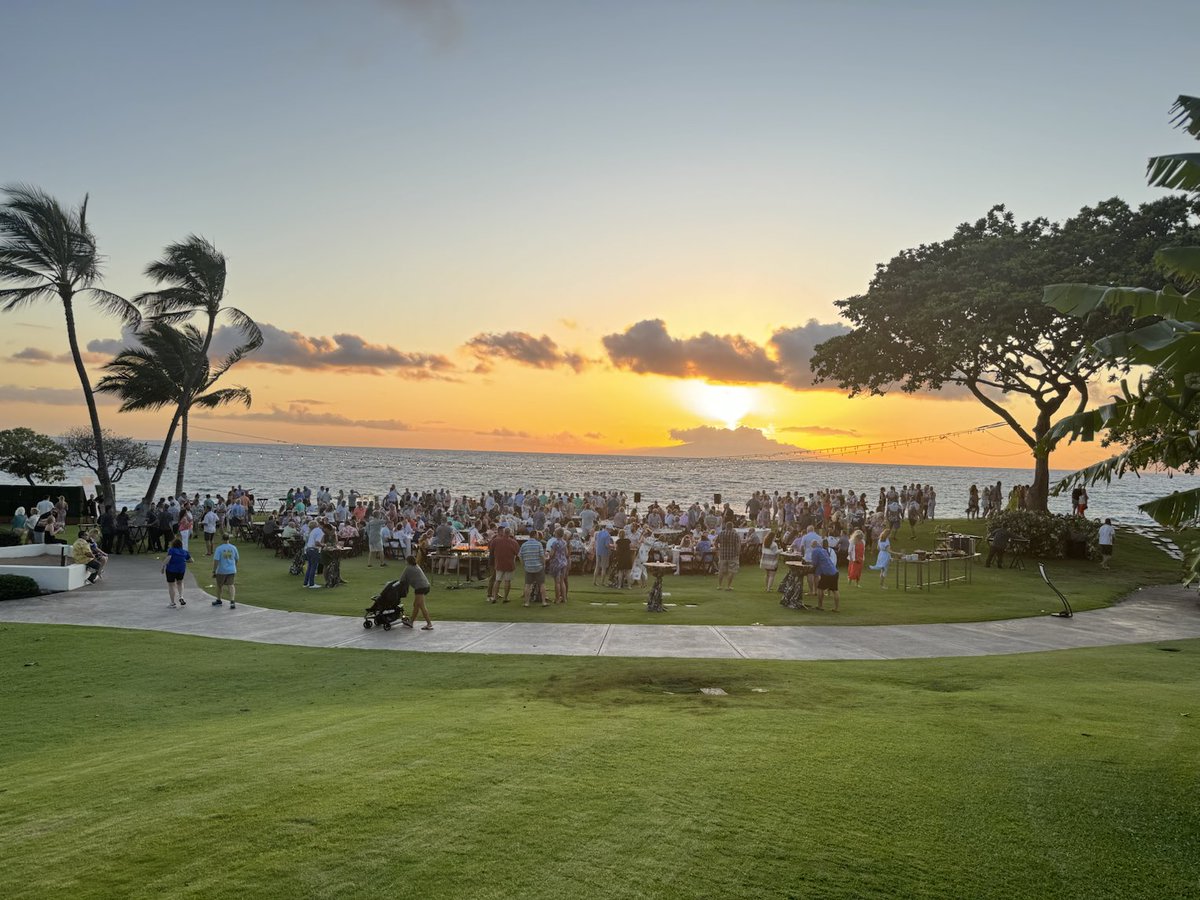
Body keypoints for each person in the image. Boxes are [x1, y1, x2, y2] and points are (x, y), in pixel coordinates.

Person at [487, 526, 520, 603]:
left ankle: (494, 597)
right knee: (507, 581)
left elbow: (491, 550)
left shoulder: (495, 541)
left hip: (498, 563)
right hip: (509, 564)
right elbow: (517, 552)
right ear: (510, 533)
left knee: (497, 580)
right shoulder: (513, 542)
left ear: (503, 532)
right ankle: (505, 598)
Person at [400, 555, 434, 629]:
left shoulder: (408, 568)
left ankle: (428, 624)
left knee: (420, 606)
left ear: (408, 561)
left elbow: (402, 579)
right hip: (425, 586)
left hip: (420, 587)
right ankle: (412, 622)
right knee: (417, 605)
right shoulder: (416, 566)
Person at [211, 532, 240, 609]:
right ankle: (232, 601)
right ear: (228, 539)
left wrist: (214, 571)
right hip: (231, 569)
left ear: (222, 539)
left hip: (221, 570)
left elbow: (216, 560)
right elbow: (237, 559)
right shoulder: (233, 548)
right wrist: (234, 566)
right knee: (231, 585)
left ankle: (219, 600)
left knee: (219, 585)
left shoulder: (219, 548)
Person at [811, 541, 840, 611]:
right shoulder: (823, 550)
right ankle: (837, 608)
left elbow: (814, 563)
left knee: (820, 589)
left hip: (827, 573)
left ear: (814, 545)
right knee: (835, 590)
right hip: (834, 571)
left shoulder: (815, 551)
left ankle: (820, 606)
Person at [162, 537, 191, 608]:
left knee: (171, 585)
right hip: (181, 570)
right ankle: (181, 596)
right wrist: (184, 560)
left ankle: (172, 603)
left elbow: (168, 558)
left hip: (171, 570)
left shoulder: (171, 550)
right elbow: (191, 560)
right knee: (180, 582)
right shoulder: (185, 552)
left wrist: (163, 566)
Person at [520, 531, 547, 606]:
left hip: (528, 567)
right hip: (538, 567)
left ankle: (526, 602)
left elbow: (520, 556)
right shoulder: (539, 544)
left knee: (528, 585)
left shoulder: (524, 545)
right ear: (535, 535)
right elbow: (542, 556)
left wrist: (523, 565)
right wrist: (544, 564)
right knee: (542, 584)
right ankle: (544, 602)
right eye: (537, 535)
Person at [546, 526, 570, 603]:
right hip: (563, 562)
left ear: (557, 534)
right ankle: (564, 598)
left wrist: (548, 555)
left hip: (556, 563)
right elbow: (566, 553)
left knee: (557, 582)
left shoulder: (555, 543)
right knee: (562, 581)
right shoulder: (564, 542)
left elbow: (552, 554)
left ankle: (557, 599)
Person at [716, 520, 740, 591]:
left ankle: (719, 585)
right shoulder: (735, 534)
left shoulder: (721, 533)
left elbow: (716, 542)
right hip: (732, 555)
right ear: (732, 527)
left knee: (721, 570)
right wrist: (738, 553)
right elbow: (737, 545)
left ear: (726, 527)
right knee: (731, 571)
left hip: (723, 554)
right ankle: (728, 586)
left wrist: (718, 549)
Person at [303, 518, 326, 589]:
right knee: (313, 567)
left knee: (310, 566)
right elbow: (317, 542)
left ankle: (306, 583)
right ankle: (312, 584)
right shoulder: (320, 531)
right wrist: (324, 545)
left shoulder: (312, 531)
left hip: (308, 549)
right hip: (314, 550)